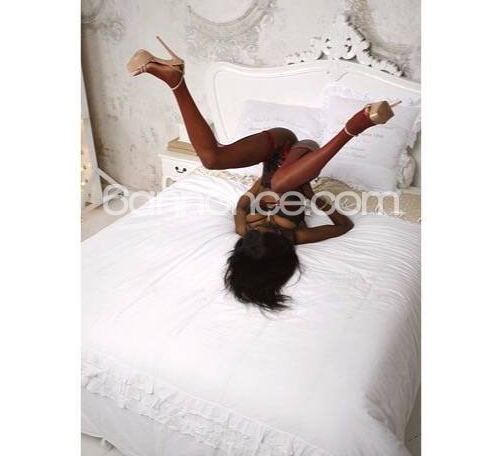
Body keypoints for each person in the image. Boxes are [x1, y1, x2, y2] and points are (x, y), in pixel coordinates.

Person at [127, 37, 398, 311]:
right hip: (303, 153)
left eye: (259, 233)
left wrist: (258, 186)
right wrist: (313, 197)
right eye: (271, 235)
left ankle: (176, 80)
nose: (264, 228)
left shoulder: (244, 230)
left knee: (211, 160)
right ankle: (357, 125)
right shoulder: (295, 237)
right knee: (279, 183)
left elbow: (241, 206)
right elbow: (343, 226)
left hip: (280, 145)